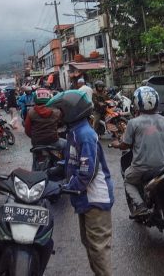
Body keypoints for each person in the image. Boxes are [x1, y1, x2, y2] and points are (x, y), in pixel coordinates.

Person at [47, 90, 114, 276]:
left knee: (98, 248)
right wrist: (57, 170)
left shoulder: (85, 134)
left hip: (95, 199)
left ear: (71, 110)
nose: (58, 115)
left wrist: (66, 188)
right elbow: (74, 161)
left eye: (60, 110)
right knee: (90, 244)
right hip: (84, 198)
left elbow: (87, 172)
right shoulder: (74, 133)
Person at [111, 86, 164, 218]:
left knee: (128, 180)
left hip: (142, 168)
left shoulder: (133, 123)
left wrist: (116, 144)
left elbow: (125, 145)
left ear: (136, 103)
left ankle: (141, 206)